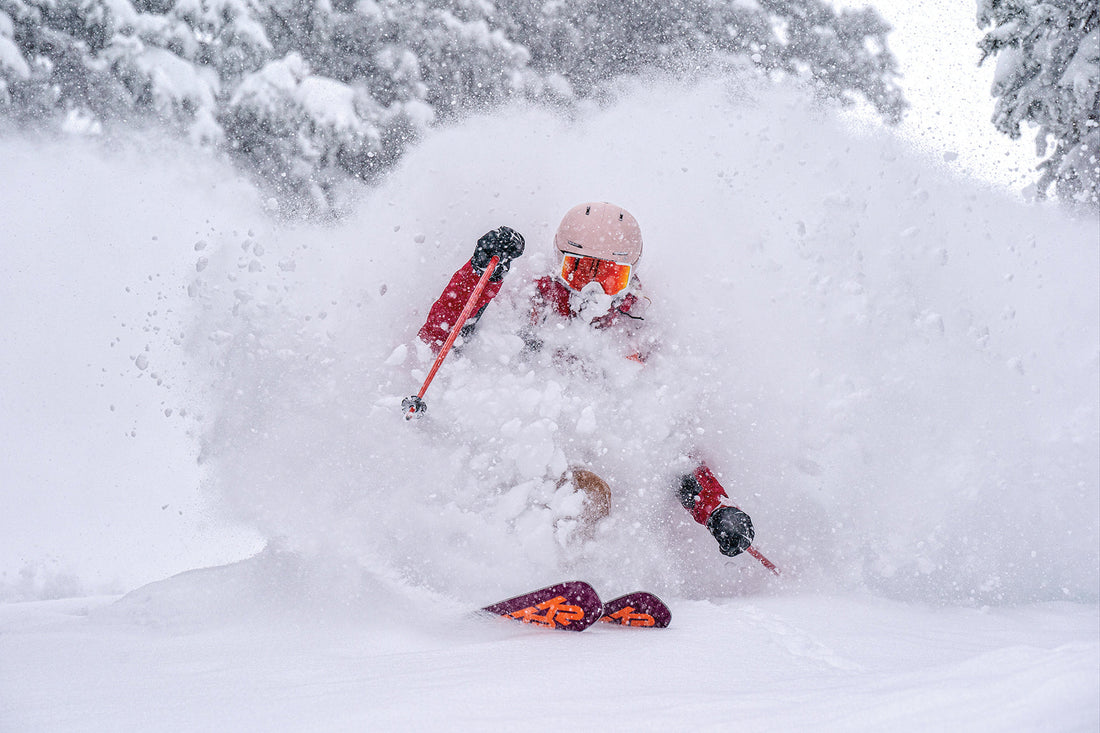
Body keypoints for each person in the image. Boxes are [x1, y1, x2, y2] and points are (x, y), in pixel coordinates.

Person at [413, 202, 755, 559]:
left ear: (630, 277)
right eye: (578, 271)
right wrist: (480, 272)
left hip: (589, 464)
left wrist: (715, 510)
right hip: (512, 449)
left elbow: (665, 442)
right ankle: (477, 555)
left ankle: (566, 571)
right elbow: (439, 340)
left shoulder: (637, 334)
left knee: (589, 491)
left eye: (609, 277)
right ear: (559, 261)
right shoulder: (533, 301)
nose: (592, 290)